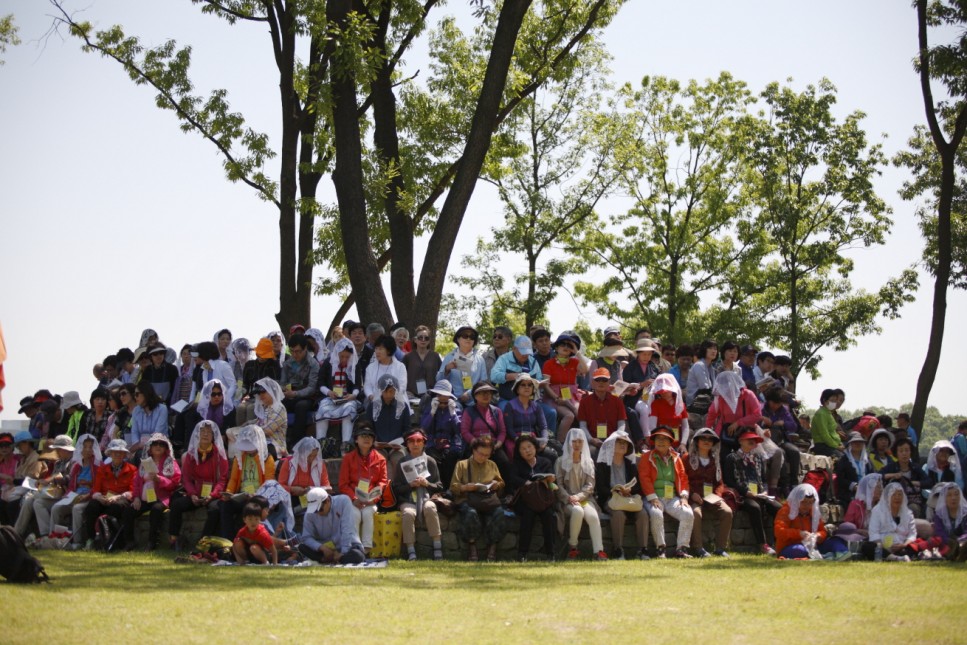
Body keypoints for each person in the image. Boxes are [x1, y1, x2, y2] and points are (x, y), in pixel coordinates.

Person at [170, 420, 229, 549]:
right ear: (197, 434)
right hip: (195, 493)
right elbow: (186, 478)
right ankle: (174, 539)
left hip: (213, 494)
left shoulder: (220, 455)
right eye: (202, 431)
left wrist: (212, 495)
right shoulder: (191, 454)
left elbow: (222, 480)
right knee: (176, 505)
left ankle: (202, 542)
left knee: (215, 510)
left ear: (213, 436)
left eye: (209, 432)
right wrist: (192, 494)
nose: (205, 434)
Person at [722, 428, 781, 555]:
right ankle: (762, 544)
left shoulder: (758, 458)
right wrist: (746, 492)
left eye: (755, 440)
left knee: (778, 507)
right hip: (742, 496)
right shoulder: (732, 458)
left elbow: (764, 479)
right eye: (749, 439)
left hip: (760, 495)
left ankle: (779, 541)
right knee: (754, 507)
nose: (753, 442)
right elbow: (729, 481)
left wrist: (764, 491)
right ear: (740, 441)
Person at [639, 426, 694, 558]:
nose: (661, 441)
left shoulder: (676, 458)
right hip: (654, 497)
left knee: (688, 513)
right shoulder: (647, 457)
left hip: (672, 498)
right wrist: (653, 498)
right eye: (658, 438)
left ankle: (681, 549)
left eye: (665, 439)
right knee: (656, 513)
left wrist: (684, 496)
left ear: (670, 442)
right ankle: (661, 549)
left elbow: (683, 477)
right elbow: (644, 478)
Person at [450, 436, 507, 561]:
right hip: (467, 499)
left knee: (499, 512)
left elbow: (501, 483)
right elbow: (453, 487)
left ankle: (492, 547)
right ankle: (472, 546)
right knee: (470, 513)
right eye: (480, 454)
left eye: (487, 455)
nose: (483, 457)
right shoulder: (462, 465)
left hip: (487, 499)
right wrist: (465, 487)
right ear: (473, 450)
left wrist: (496, 485)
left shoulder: (492, 464)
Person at [555, 428, 608, 561]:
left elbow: (590, 485)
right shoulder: (560, 461)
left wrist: (578, 497)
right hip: (566, 500)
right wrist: (569, 497)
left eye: (580, 441)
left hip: (585, 498)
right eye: (574, 441)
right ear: (569, 443)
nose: (577, 444)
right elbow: (558, 485)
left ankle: (599, 551)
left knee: (593, 516)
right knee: (577, 511)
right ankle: (572, 547)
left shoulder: (588, 461)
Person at [595, 430, 649, 560]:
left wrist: (630, 490)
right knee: (618, 515)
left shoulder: (630, 464)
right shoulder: (602, 464)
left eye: (625, 442)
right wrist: (616, 491)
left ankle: (643, 549)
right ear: (611, 445)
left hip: (629, 499)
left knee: (643, 514)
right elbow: (600, 488)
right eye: (619, 442)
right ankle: (618, 549)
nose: (623, 445)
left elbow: (637, 486)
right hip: (611, 499)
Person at [392, 429, 445, 561]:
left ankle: (437, 547)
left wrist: (427, 483)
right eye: (411, 441)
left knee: (430, 508)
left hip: (427, 497)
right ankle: (411, 550)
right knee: (408, 513)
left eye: (419, 441)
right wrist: (410, 485)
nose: (415, 444)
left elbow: (439, 486)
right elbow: (396, 488)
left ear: (424, 443)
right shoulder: (402, 462)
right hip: (407, 499)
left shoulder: (430, 461)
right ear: (407, 444)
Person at [124, 433, 181, 550]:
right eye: (155, 444)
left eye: (161, 444)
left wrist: (160, 480)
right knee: (128, 511)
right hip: (144, 498)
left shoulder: (170, 462)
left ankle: (152, 542)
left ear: (166, 447)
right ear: (150, 446)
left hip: (161, 498)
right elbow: (136, 482)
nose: (158, 446)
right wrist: (136, 497)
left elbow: (174, 484)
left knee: (156, 509)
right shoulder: (144, 462)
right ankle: (129, 542)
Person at [219, 425, 276, 539]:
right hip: (241, 495)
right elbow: (234, 479)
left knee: (247, 509)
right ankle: (228, 540)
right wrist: (228, 492)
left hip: (258, 497)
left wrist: (256, 495)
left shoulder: (267, 459)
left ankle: (242, 540)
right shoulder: (239, 457)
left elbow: (268, 484)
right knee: (225, 506)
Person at [682, 428, 733, 558]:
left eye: (710, 439)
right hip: (693, 497)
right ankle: (698, 548)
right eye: (703, 438)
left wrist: (717, 495)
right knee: (696, 513)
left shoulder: (715, 460)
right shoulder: (686, 458)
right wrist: (692, 494)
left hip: (712, 497)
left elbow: (720, 483)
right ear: (697, 441)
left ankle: (720, 548)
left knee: (727, 512)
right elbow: (682, 480)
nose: (707, 441)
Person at [506, 434, 557, 562]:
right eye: (523, 449)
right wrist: (525, 482)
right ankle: (522, 554)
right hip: (525, 500)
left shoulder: (545, 462)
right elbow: (512, 479)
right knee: (527, 515)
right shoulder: (516, 464)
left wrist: (549, 479)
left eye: (529, 447)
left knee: (548, 515)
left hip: (543, 498)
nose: (527, 450)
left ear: (535, 447)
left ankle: (551, 554)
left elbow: (552, 479)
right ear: (519, 452)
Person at [338, 424, 387, 554]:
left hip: (371, 500)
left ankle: (366, 549)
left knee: (367, 513)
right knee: (354, 514)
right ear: (356, 439)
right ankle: (353, 547)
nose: (367, 438)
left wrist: (373, 498)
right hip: (353, 499)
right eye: (363, 436)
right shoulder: (348, 458)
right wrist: (354, 499)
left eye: (370, 436)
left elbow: (382, 482)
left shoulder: (380, 459)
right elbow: (343, 484)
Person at [14, 434, 75, 538]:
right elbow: (51, 479)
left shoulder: (74, 462)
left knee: (34, 498)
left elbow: (70, 479)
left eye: (58, 449)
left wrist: (51, 480)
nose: (57, 452)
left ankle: (46, 535)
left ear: (65, 449)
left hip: (65, 495)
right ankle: (19, 533)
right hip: (53, 493)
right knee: (32, 501)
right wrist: (44, 482)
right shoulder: (58, 463)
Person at [81, 439, 138, 549]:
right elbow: (96, 489)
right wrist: (99, 497)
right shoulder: (102, 469)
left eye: (121, 452)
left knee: (112, 510)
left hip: (121, 500)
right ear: (110, 454)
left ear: (125, 454)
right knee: (91, 507)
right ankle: (91, 538)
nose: (117, 455)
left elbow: (133, 490)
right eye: (114, 452)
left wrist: (119, 497)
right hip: (104, 498)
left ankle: (107, 541)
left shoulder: (132, 469)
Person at [869, 482, 943, 561]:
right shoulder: (877, 511)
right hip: (882, 546)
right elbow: (873, 534)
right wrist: (884, 546)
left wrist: (903, 545)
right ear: (888, 497)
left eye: (900, 494)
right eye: (894, 495)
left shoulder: (908, 513)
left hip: (902, 546)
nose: (897, 497)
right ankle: (895, 558)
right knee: (868, 546)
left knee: (917, 545)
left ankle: (897, 556)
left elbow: (912, 534)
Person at [51, 434, 101, 549]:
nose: (87, 450)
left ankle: (77, 541)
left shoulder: (97, 466)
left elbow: (98, 486)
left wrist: (87, 495)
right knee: (56, 508)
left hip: (89, 496)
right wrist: (67, 495)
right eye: (85, 447)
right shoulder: (77, 466)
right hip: (75, 495)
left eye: (90, 447)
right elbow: (71, 486)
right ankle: (53, 538)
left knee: (77, 509)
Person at [315, 338, 362, 454]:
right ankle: (320, 444)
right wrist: (328, 392)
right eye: (342, 356)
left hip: (348, 399)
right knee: (322, 410)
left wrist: (353, 395)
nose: (344, 359)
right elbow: (320, 383)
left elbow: (357, 385)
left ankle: (345, 445)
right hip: (330, 398)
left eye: (347, 357)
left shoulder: (355, 365)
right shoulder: (328, 363)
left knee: (349, 410)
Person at [298, 487, 367, 564]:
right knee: (302, 547)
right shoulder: (309, 514)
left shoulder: (343, 501)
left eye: (320, 509)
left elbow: (347, 529)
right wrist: (322, 548)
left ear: (327, 501)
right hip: (325, 548)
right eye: (314, 511)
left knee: (357, 555)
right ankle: (330, 559)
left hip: (348, 546)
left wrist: (343, 553)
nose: (318, 513)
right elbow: (306, 537)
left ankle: (328, 560)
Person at [773, 484, 842, 559]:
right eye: (804, 502)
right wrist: (799, 533)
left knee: (834, 541)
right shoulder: (786, 511)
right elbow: (778, 531)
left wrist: (818, 536)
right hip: (789, 547)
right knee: (800, 549)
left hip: (811, 546)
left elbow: (823, 531)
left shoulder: (813, 512)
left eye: (810, 502)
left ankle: (841, 553)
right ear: (797, 500)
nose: (807, 506)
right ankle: (823, 556)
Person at [501, 373, 557, 463]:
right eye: (523, 385)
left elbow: (543, 427)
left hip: (533, 439)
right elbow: (509, 429)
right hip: (515, 439)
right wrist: (518, 440)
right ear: (517, 389)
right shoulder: (510, 405)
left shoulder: (537, 406)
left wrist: (544, 441)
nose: (527, 387)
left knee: (551, 455)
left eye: (529, 385)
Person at [542, 332, 585, 441]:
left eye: (569, 345)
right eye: (562, 344)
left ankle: (584, 441)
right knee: (569, 415)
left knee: (582, 413)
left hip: (571, 397)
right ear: (556, 347)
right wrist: (556, 398)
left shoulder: (574, 362)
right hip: (553, 397)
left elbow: (585, 370)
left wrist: (577, 352)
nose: (566, 347)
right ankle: (560, 443)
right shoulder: (549, 363)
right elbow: (546, 385)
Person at [280, 333, 320, 451]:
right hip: (289, 395)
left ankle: (297, 443)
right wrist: (284, 390)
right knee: (277, 405)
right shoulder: (287, 364)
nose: (295, 355)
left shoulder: (313, 364)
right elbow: (283, 382)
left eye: (298, 351)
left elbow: (312, 388)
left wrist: (296, 394)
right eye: (292, 351)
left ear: (305, 348)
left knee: (301, 406)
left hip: (307, 397)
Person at [420, 380, 463, 488]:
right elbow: (424, 428)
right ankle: (434, 488)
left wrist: (453, 414)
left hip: (451, 443)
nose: (443, 403)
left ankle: (448, 489)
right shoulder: (430, 406)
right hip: (432, 442)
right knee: (431, 458)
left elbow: (459, 430)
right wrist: (432, 412)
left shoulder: (455, 407)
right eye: (440, 396)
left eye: (445, 400)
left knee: (450, 458)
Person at [705, 371, 761, 454]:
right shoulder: (720, 397)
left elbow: (757, 415)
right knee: (722, 454)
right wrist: (707, 431)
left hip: (746, 433)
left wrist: (738, 423)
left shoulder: (748, 395)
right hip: (725, 434)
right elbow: (712, 414)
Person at [577, 368, 628, 456]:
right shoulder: (584, 402)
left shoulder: (617, 401)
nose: (601, 382)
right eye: (598, 380)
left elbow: (621, 424)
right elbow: (582, 426)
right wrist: (591, 439)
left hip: (613, 440)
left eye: (604, 380)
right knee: (592, 452)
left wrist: (615, 438)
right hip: (592, 441)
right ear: (592, 382)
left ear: (609, 382)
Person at [365, 374, 410, 471]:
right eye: (385, 391)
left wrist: (401, 442)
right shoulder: (373, 406)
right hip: (378, 446)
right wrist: (373, 442)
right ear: (380, 391)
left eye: (391, 391)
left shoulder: (403, 406)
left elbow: (407, 429)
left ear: (396, 391)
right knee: (377, 462)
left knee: (400, 462)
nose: (388, 395)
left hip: (398, 447)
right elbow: (368, 427)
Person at [0, 431, 46, 526]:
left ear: (27, 443)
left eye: (20, 445)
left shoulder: (36, 458)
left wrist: (13, 482)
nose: (19, 448)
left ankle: (14, 530)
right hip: (17, 489)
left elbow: (32, 479)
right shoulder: (23, 459)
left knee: (10, 505)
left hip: (29, 490)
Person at [437, 325, 489, 408]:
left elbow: (483, 382)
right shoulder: (449, 357)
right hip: (452, 401)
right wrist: (446, 370)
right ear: (458, 339)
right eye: (465, 336)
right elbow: (439, 381)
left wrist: (469, 393)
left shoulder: (480, 359)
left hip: (474, 401)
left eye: (472, 337)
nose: (468, 338)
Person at [278, 437, 331, 512]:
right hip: (292, 498)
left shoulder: (319, 464)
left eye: (314, 456)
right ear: (301, 453)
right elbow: (279, 486)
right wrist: (292, 489)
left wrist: (313, 490)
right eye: (309, 456)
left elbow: (326, 486)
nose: (312, 459)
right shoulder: (289, 463)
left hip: (314, 498)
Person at [880, 437, 927, 518]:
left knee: (913, 509)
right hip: (894, 500)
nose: (904, 453)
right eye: (901, 451)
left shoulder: (915, 467)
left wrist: (913, 483)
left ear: (910, 452)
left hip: (912, 501)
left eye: (907, 450)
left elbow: (929, 482)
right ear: (896, 453)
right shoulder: (891, 467)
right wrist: (893, 475)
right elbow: (878, 476)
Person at [640, 373, 689, 447]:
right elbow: (652, 427)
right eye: (660, 392)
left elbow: (685, 426)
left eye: (666, 391)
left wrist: (683, 444)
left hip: (677, 444)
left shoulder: (680, 404)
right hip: (660, 444)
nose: (663, 393)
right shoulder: (655, 404)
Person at [363, 335, 408, 404]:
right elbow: (367, 386)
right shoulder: (370, 367)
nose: (377, 351)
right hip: (375, 401)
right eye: (376, 348)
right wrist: (371, 396)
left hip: (396, 402)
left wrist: (389, 397)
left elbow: (402, 387)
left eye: (381, 349)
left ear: (389, 351)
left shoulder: (400, 367)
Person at [402, 325, 442, 400]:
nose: (423, 340)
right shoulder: (408, 357)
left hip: (431, 396)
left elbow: (441, 375)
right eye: (420, 337)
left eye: (426, 338)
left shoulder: (435, 356)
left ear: (429, 341)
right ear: (415, 340)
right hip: (411, 395)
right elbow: (401, 376)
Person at [251, 377, 288, 458]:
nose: (260, 395)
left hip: (276, 446)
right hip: (263, 442)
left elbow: (268, 430)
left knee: (251, 448)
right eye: (259, 393)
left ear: (271, 391)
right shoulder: (266, 408)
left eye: (263, 392)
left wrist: (251, 431)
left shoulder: (278, 408)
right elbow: (257, 425)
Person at [129, 381, 169, 454]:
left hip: (158, 445)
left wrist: (143, 445)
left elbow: (158, 432)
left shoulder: (162, 409)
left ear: (145, 393)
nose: (135, 397)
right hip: (140, 447)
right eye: (134, 395)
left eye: (137, 394)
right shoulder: (136, 410)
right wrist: (137, 445)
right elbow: (134, 432)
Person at [931, 482, 967, 561]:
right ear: (944, 498)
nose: (953, 498)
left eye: (956, 494)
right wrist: (948, 541)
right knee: (935, 541)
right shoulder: (939, 514)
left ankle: (961, 553)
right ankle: (953, 553)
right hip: (947, 542)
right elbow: (939, 532)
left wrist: (960, 540)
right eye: (949, 495)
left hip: (963, 541)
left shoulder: (965, 512)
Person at [835, 431, 871, 506]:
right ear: (850, 444)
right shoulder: (844, 460)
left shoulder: (867, 460)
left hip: (867, 492)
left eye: (860, 442)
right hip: (849, 495)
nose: (857, 444)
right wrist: (854, 486)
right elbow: (840, 479)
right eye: (854, 442)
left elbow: (871, 474)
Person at [843, 473, 883, 539]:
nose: (881, 489)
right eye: (878, 487)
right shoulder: (855, 505)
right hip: (859, 539)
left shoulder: (881, 505)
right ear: (870, 489)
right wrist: (860, 531)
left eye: (881, 486)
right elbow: (847, 528)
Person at [810, 389, 845, 458]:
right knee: (843, 460)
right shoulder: (821, 414)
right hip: (823, 446)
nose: (834, 403)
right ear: (825, 400)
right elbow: (824, 435)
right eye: (832, 400)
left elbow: (833, 432)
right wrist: (837, 446)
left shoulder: (828, 413)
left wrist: (840, 444)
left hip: (832, 445)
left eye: (835, 401)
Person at [685, 339, 718, 406]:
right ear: (704, 349)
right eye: (710, 348)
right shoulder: (699, 365)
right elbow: (705, 388)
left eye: (715, 349)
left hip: (707, 402)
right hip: (695, 405)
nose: (713, 351)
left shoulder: (711, 368)